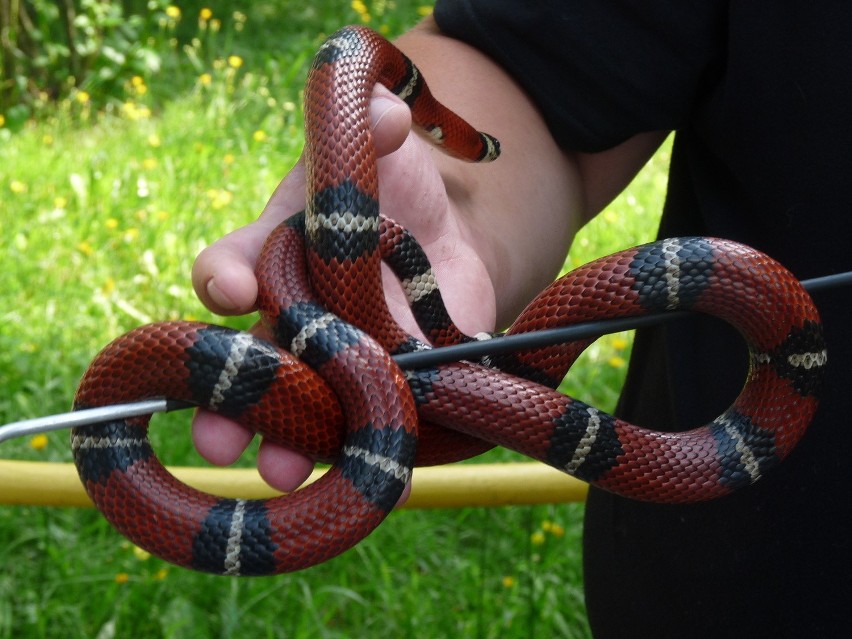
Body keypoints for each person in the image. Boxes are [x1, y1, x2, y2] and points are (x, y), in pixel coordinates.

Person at [190, 2, 851, 636]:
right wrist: (460, 215)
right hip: (710, 594)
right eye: (480, 151)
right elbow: (534, 69)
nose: (481, 154)